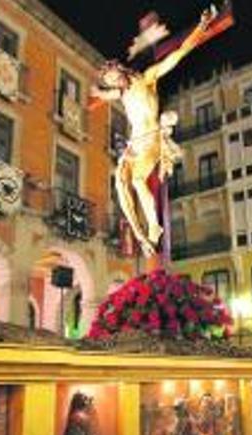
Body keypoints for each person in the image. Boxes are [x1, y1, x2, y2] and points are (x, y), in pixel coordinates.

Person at [92, 7, 216, 256]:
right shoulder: (121, 92)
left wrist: (200, 28)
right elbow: (103, 94)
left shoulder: (147, 77)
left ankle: (151, 229)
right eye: (108, 79)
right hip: (135, 143)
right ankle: (144, 232)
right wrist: (97, 92)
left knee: (137, 181)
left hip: (151, 139)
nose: (111, 81)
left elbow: (179, 54)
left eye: (111, 75)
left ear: (119, 69)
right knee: (122, 182)